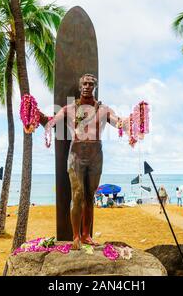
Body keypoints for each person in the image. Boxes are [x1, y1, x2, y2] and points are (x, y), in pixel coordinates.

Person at [39, 73, 131, 249]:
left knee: (90, 196)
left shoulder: (104, 109)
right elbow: (50, 123)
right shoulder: (68, 109)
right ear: (80, 86)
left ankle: (86, 235)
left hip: (96, 155)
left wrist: (130, 121)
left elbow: (117, 123)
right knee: (78, 194)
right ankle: (75, 236)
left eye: (90, 84)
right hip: (76, 154)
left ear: (94, 87)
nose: (87, 86)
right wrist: (36, 114)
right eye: (85, 83)